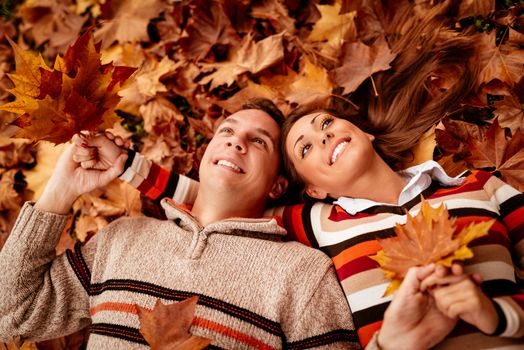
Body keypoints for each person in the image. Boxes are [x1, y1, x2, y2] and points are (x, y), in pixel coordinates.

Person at [0, 101, 363, 349]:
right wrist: (59, 192)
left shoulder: (303, 274)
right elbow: (11, 316)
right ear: (206, 153)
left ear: (277, 186)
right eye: (227, 131)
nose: (236, 141)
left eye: (258, 142)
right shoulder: (121, 238)